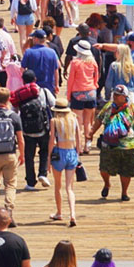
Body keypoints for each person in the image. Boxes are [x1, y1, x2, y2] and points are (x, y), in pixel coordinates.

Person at [88, 85, 134, 202]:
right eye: (114, 94)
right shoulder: (108, 106)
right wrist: (91, 132)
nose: (115, 97)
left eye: (118, 95)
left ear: (125, 97)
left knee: (126, 171)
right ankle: (107, 184)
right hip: (109, 144)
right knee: (104, 169)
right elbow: (99, 119)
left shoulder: (132, 108)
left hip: (128, 145)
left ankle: (124, 192)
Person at [12, 69, 54, 191]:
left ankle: (30, 182)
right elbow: (53, 104)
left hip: (26, 130)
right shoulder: (44, 91)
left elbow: (14, 111)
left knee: (29, 155)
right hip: (43, 128)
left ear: (23, 80)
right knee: (44, 151)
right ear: (35, 79)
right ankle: (42, 174)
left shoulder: (20, 94)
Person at [48, 98, 80, 226]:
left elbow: (51, 140)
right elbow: (79, 140)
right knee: (69, 188)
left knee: (58, 185)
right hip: (71, 152)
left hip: (59, 153)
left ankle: (59, 212)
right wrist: (77, 155)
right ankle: (72, 214)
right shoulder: (74, 119)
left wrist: (48, 159)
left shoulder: (54, 121)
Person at [66, 41, 100, 154]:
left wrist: (68, 95)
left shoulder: (75, 63)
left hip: (78, 93)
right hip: (91, 92)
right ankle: (87, 145)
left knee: (78, 122)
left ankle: (79, 146)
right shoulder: (93, 62)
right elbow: (96, 77)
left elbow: (71, 80)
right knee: (88, 122)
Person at [21, 29, 60, 96]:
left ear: (36, 39)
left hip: (33, 87)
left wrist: (25, 83)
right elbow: (56, 70)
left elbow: (22, 69)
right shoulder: (52, 52)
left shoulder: (29, 52)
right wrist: (56, 84)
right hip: (49, 86)